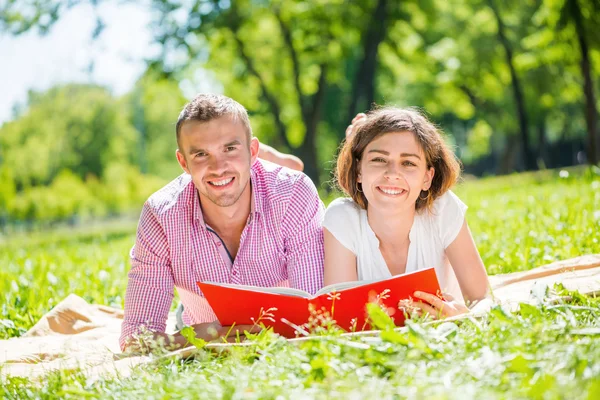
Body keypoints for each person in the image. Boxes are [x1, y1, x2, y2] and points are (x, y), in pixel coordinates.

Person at [120, 94, 324, 351]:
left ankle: (276, 163)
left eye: (230, 148)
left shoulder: (294, 193)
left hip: (280, 323)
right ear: (183, 162)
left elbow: (317, 316)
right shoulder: (161, 214)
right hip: (200, 319)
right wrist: (207, 334)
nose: (218, 167)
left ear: (252, 151)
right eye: (202, 154)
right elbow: (136, 338)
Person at [323, 107, 490, 319]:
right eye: (379, 160)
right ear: (358, 171)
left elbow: (484, 299)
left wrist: (459, 317)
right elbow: (340, 317)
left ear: (427, 178)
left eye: (408, 163)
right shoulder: (342, 218)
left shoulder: (442, 210)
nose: (393, 174)